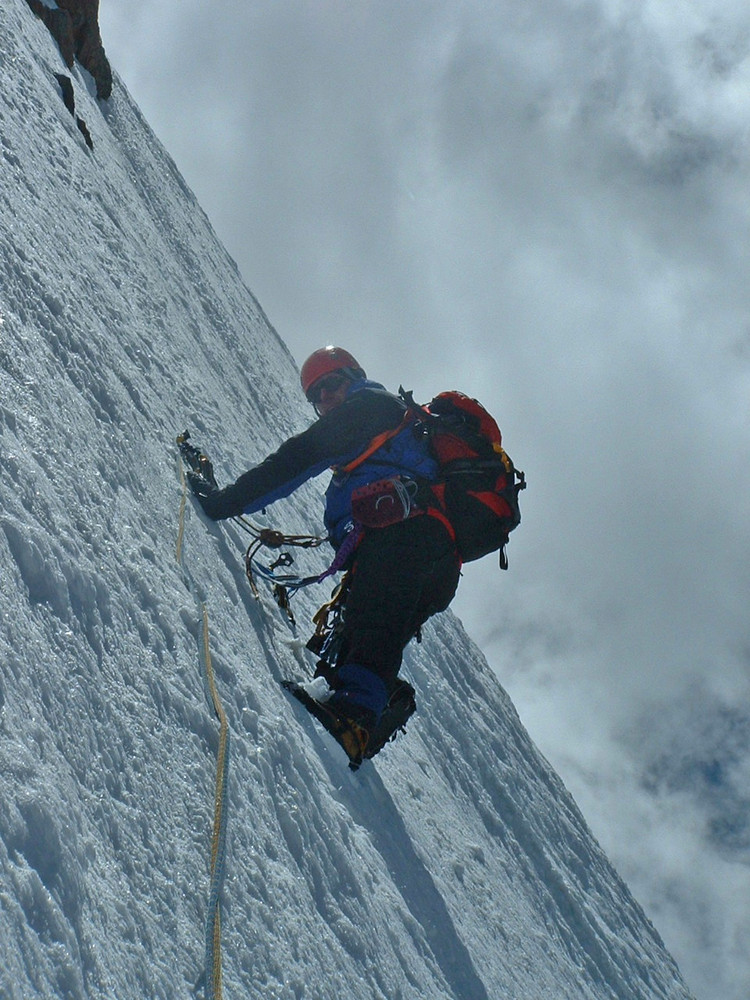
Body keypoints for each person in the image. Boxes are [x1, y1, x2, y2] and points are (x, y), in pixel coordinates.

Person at [187, 346, 462, 764]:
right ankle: (377, 702)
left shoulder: (367, 408)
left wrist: (226, 502)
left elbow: (295, 461)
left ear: (353, 378)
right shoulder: (384, 429)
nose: (326, 399)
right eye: (316, 396)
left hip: (406, 541)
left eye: (331, 385)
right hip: (425, 553)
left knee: (375, 619)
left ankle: (355, 715)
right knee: (371, 622)